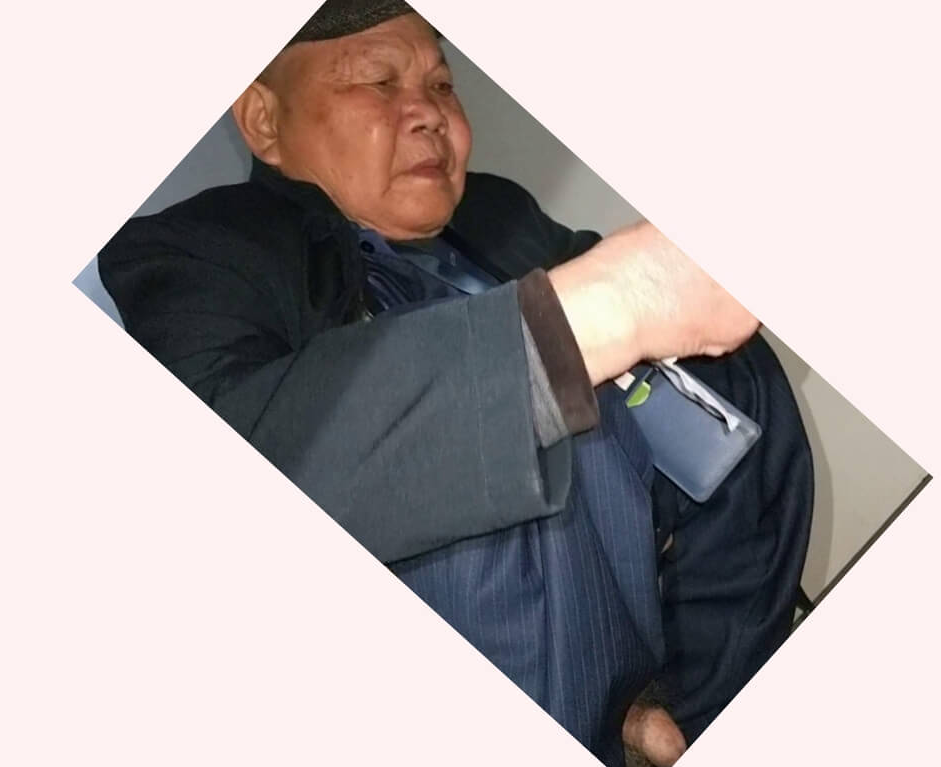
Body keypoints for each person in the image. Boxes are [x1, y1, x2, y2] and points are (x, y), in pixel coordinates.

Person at [98, 2, 813, 764]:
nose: (429, 114)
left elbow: (709, 376)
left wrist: (681, 701)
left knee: (726, 362)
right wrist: (599, 312)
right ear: (264, 121)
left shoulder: (496, 211)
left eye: (442, 85)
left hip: (665, 654)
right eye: (379, 81)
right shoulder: (195, 251)